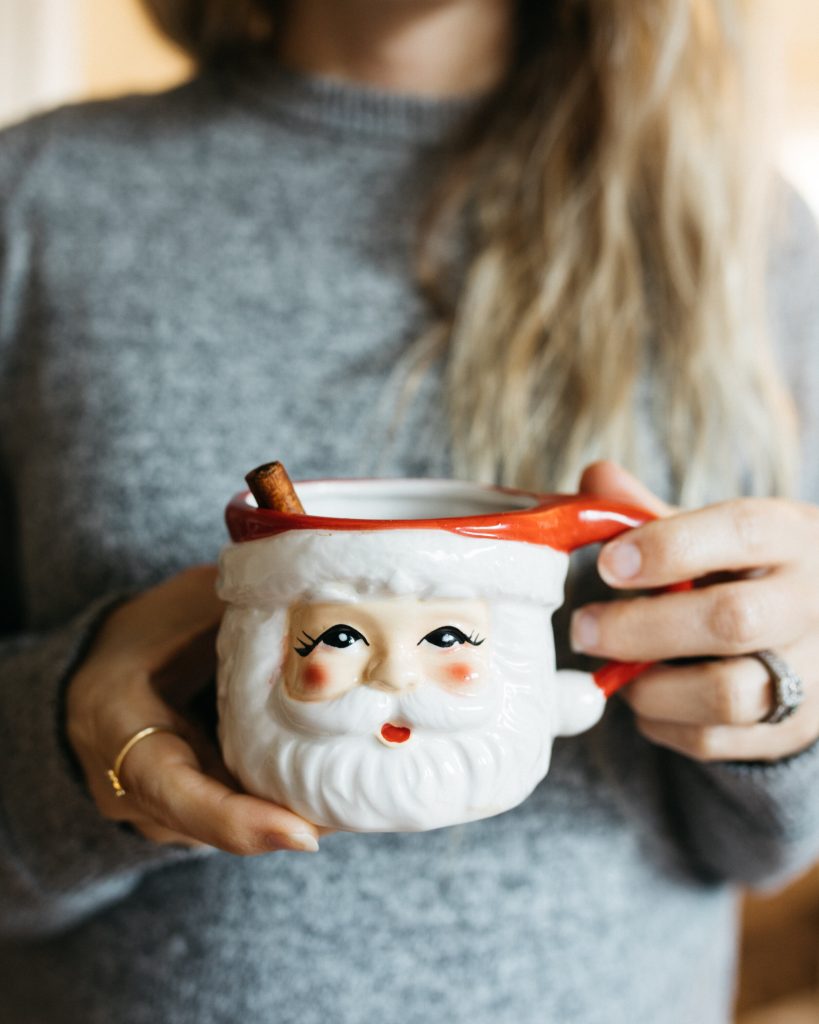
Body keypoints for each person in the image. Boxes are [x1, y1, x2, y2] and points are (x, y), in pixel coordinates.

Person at [1, 1, 818, 1021]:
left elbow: (768, 849)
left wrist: (784, 700)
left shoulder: (751, 234)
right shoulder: (35, 199)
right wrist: (62, 735)